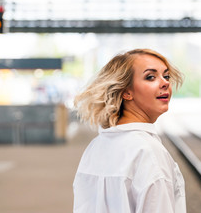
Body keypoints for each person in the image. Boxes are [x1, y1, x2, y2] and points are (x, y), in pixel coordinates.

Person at [73, 48, 186, 213]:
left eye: (166, 76)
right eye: (150, 77)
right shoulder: (148, 152)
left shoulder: (94, 148)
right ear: (126, 91)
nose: (165, 83)